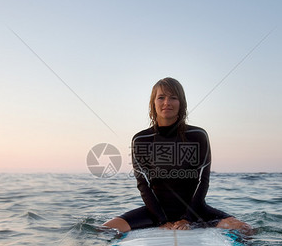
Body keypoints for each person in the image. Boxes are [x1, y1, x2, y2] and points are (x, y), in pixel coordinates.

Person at [103, 77, 253, 234]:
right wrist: (161, 220)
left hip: (196, 211)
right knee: (103, 230)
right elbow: (143, 185)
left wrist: (187, 219)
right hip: (155, 212)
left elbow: (203, 181)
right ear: (153, 103)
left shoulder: (197, 135)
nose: (167, 102)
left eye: (173, 98)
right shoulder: (141, 139)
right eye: (161, 97)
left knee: (246, 229)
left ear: (181, 103)